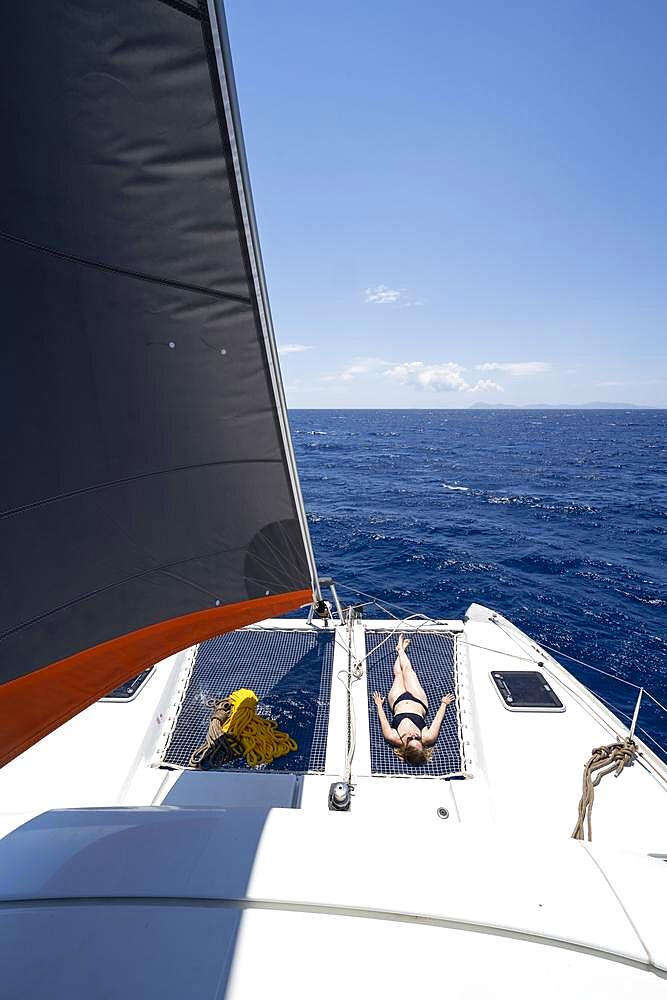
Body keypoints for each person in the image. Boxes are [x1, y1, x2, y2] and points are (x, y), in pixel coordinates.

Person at [372, 633, 455, 765]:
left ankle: (401, 651)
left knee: (398, 675)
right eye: (417, 738)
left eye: (410, 738)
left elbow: (384, 720)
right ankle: (400, 650)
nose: (414, 735)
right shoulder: (428, 737)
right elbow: (437, 721)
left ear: (405, 747)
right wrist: (444, 704)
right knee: (408, 671)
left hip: (397, 702)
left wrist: (379, 705)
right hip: (418, 700)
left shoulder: (393, 737)